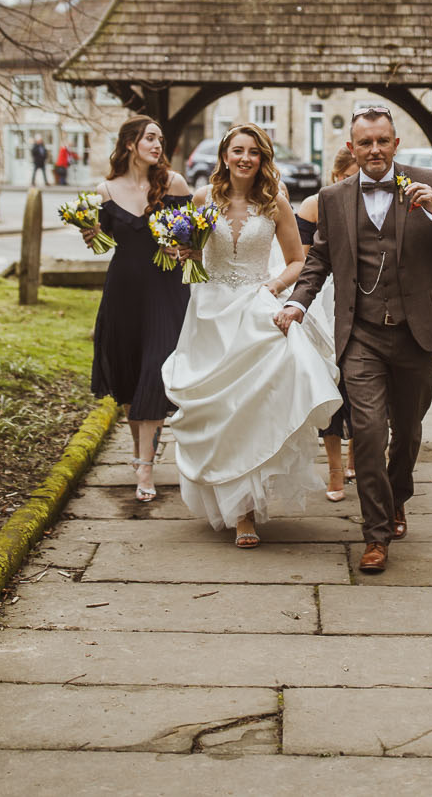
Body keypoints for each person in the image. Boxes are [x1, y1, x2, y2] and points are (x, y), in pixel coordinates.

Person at [276, 105, 432, 574]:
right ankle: (375, 534)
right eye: (364, 142)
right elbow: (319, 260)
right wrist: (297, 303)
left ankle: (397, 498)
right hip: (361, 334)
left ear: (395, 143)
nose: (374, 150)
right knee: (367, 432)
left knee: (406, 434)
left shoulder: (426, 179)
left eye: (382, 141)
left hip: (415, 333)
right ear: (352, 147)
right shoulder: (333, 197)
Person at [164, 124, 342, 547]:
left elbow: (299, 260)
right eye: (237, 151)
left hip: (257, 303)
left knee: (253, 405)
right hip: (210, 313)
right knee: (220, 410)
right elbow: (186, 253)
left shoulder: (275, 202)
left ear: (262, 158)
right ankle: (228, 497)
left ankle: (245, 513)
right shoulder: (203, 200)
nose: (245, 158)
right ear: (224, 156)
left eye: (253, 152)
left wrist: (275, 288)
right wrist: (182, 253)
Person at [86, 117, 192, 503]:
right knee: (129, 378)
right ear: (130, 143)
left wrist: (181, 246)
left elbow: (192, 237)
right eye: (150, 138)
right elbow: (101, 244)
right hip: (123, 293)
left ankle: (145, 466)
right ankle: (138, 451)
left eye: (160, 139)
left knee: (154, 372)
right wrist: (90, 233)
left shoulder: (174, 184)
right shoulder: (105, 191)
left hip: (165, 291)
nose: (157, 145)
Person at [295, 144, 359, 500]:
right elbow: (306, 263)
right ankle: (335, 470)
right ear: (336, 177)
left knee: (359, 388)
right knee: (329, 386)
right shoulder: (314, 206)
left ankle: (356, 459)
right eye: (349, 178)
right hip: (322, 302)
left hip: (359, 301)